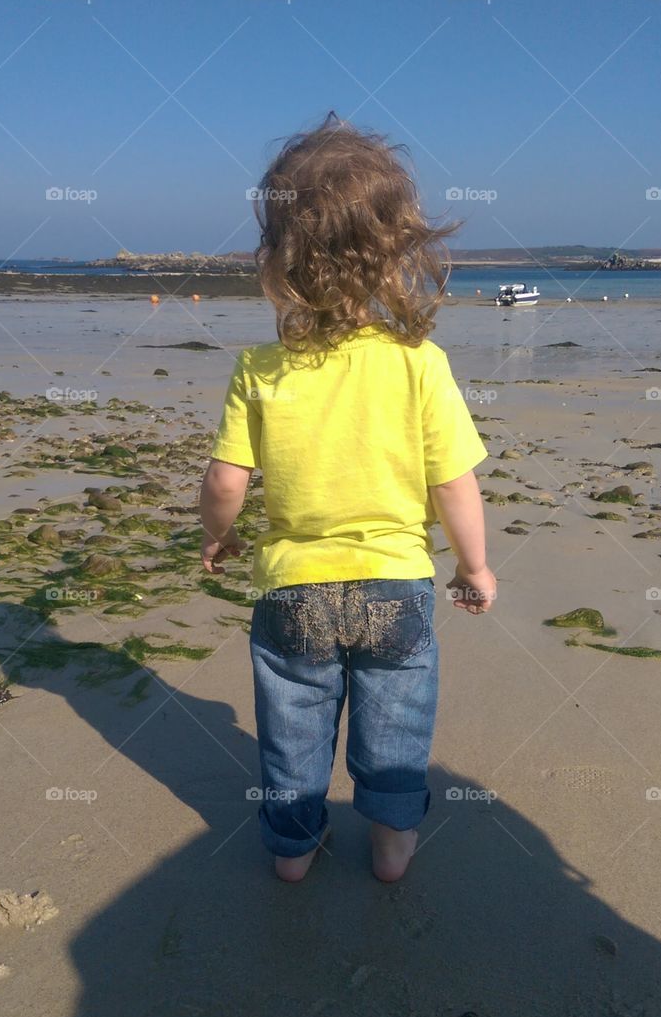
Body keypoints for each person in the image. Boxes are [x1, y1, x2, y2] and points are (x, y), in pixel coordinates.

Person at [199, 113, 496, 885]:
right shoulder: (417, 363)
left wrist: (220, 536)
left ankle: (293, 848)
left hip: (291, 587)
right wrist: (475, 566)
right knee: (395, 720)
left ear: (279, 257)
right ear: (399, 251)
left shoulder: (260, 367)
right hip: (394, 584)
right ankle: (392, 841)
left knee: (293, 725)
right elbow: (452, 481)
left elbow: (227, 480)